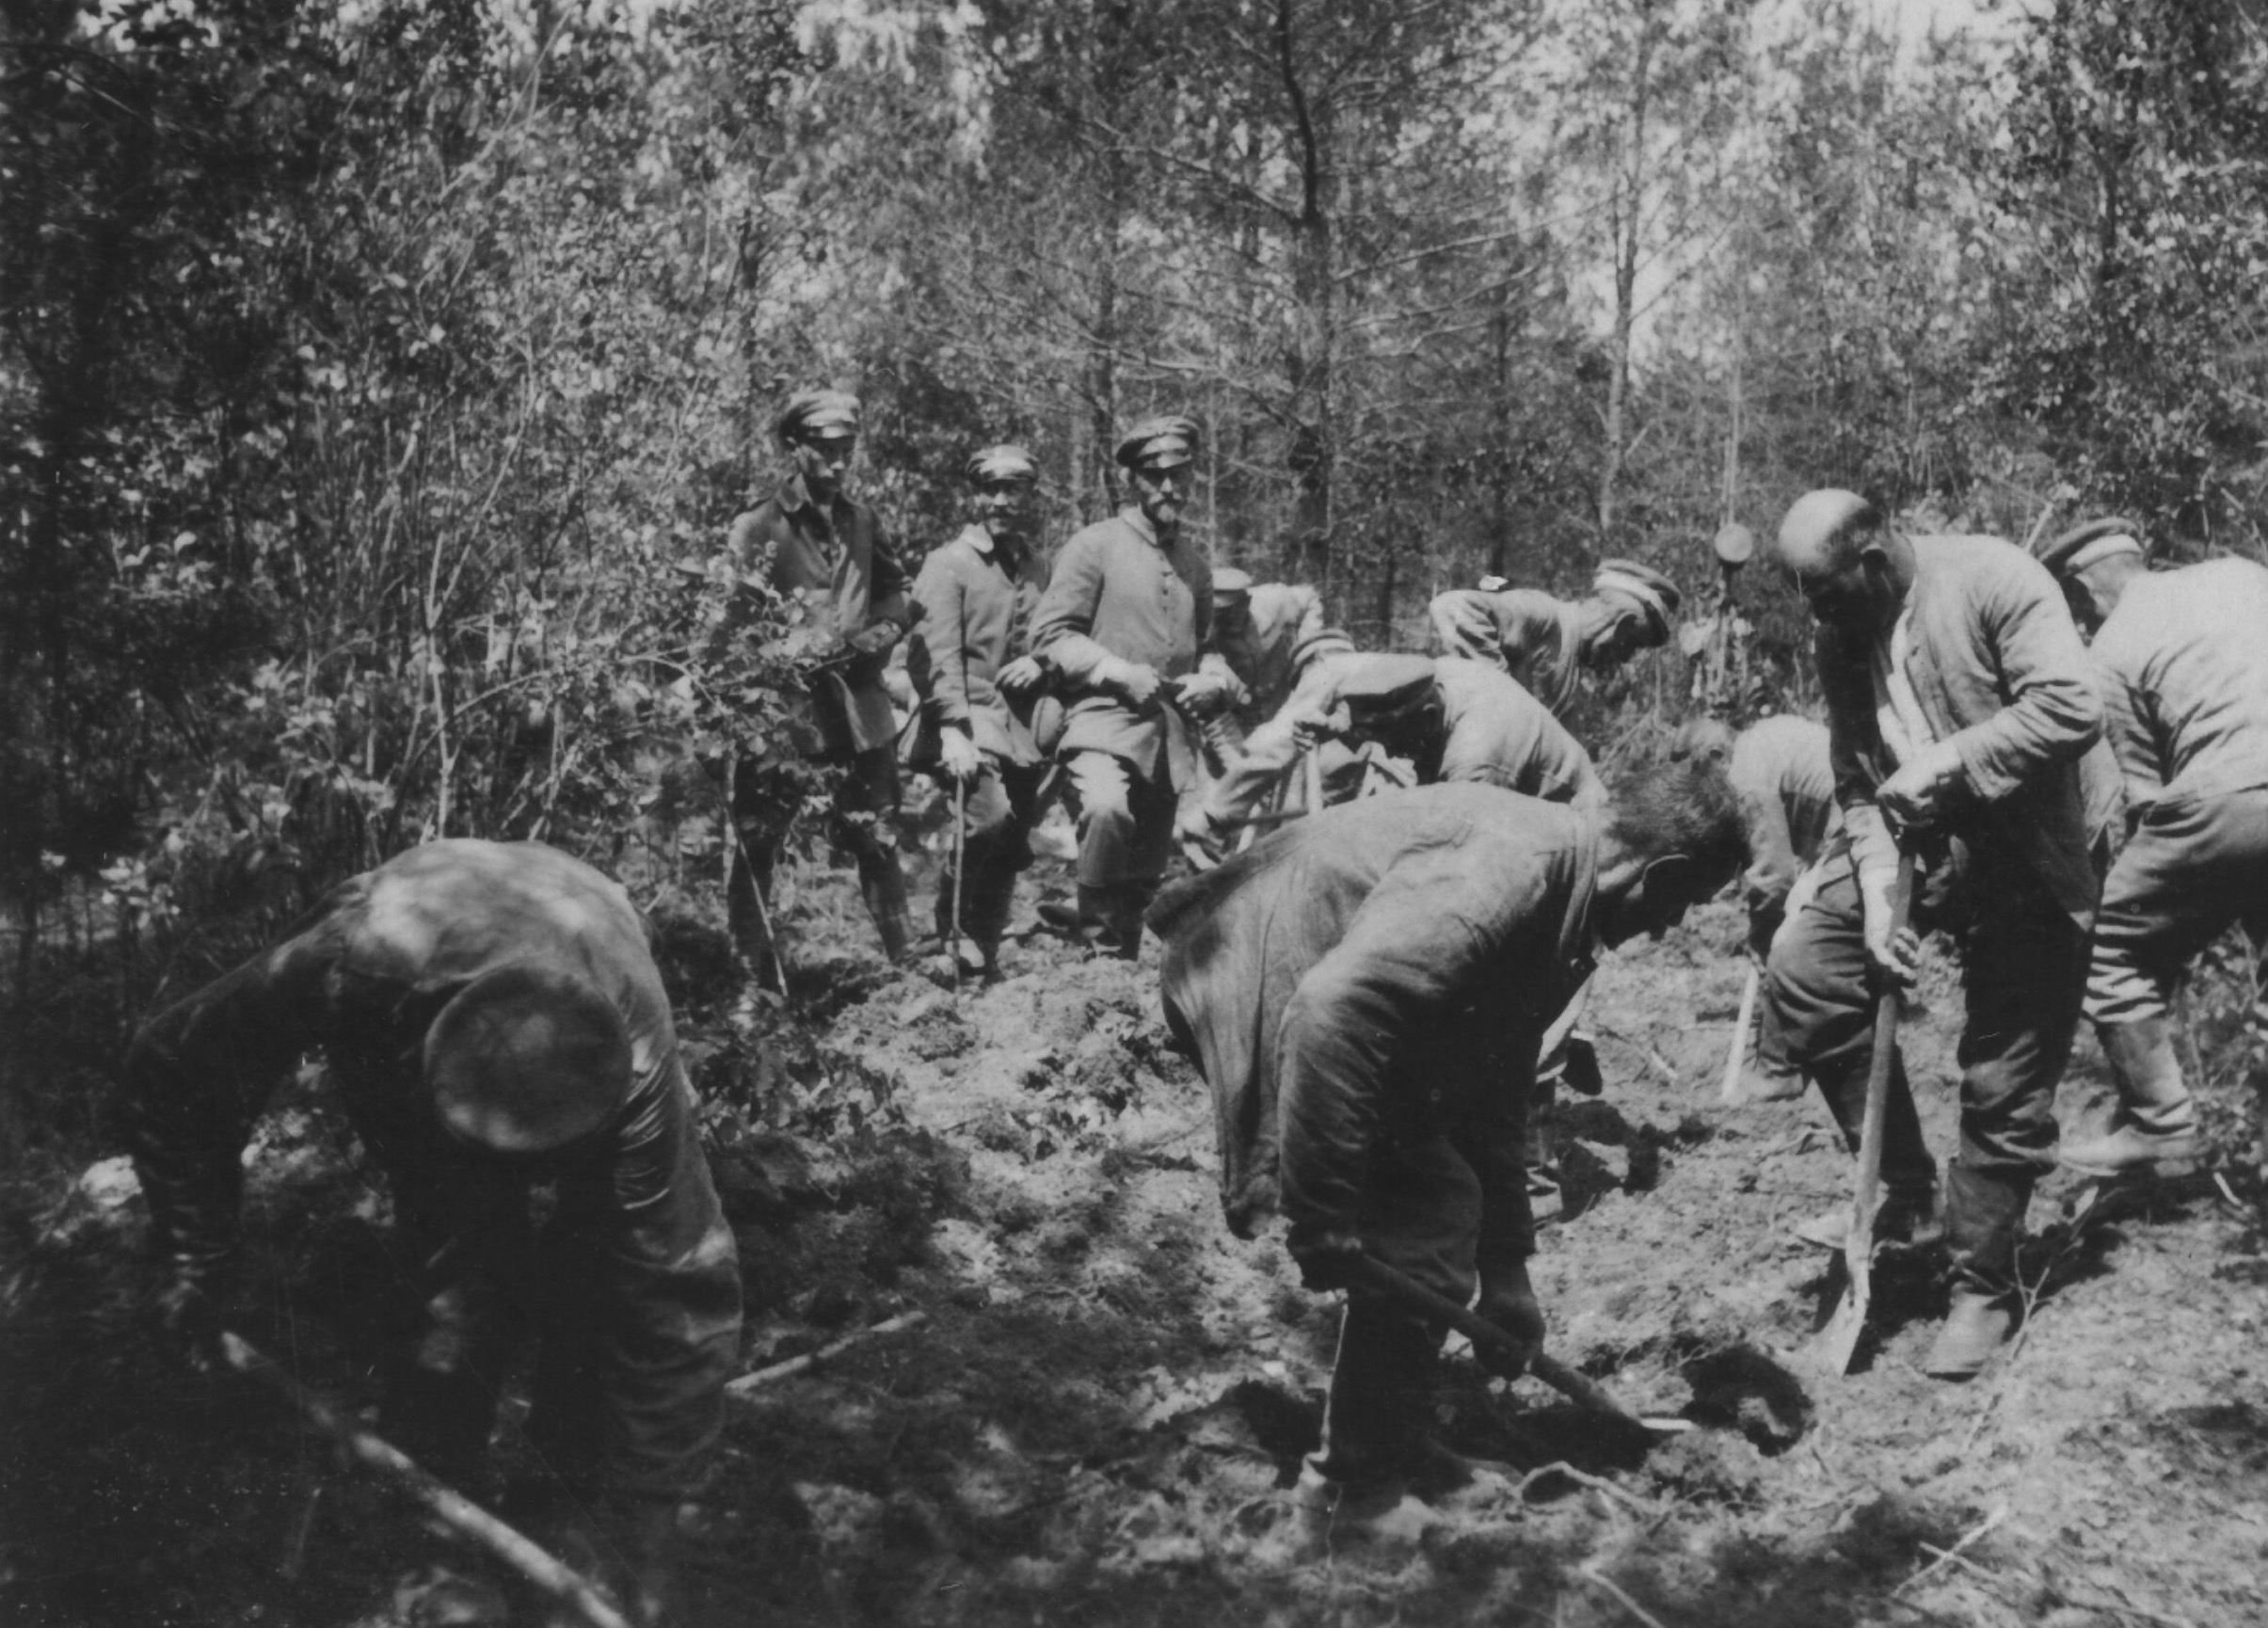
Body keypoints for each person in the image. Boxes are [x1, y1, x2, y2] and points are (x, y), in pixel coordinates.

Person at [122, 840, 743, 1623]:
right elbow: (174, 1063)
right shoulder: (356, 961)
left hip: (586, 929)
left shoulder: (635, 1064)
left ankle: (563, 1510)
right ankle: (435, 1540)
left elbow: (679, 1288)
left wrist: (652, 1555)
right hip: (416, 971)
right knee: (463, 1273)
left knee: (601, 1267)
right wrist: (194, 1250)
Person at [1151, 754, 1747, 1515]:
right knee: (1426, 1206)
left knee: (1434, 1193)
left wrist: (1507, 1276)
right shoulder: (1511, 877)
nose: (1673, 926)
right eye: (1686, 903)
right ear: (1659, 874)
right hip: (1257, 959)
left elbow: (1492, 1092)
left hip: (1315, 967)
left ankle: (1388, 1435)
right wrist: (1324, 1207)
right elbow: (1334, 1011)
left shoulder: (1561, 901)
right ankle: (1352, 1491)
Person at [1767, 489, 2117, 1379]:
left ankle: (1981, 1289)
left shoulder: (1994, 579)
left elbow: (2075, 708)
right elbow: (1854, 781)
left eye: (1828, 596)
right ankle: (1910, 1194)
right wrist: (1882, 894)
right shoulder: (1838, 634)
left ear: (1875, 563)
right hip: (1917, 842)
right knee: (1808, 968)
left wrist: (1953, 759)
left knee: (2000, 1073)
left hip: (2036, 844)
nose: (1820, 619)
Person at [2033, 518, 2268, 1179]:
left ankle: (2162, 1125)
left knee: (2107, 947)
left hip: (2228, 798)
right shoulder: (2241, 575)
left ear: (2080, 594)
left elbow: (2142, 798)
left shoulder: (2108, 653)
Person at [715, 387, 916, 970]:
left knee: (876, 835)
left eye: (846, 450)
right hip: (786, 718)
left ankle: (907, 968)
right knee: (760, 843)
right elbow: (728, 628)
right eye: (825, 449)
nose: (836, 462)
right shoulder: (757, 527)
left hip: (860, 710)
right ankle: (748, 977)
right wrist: (781, 660)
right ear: (795, 448)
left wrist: (881, 636)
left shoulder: (863, 519)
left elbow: (893, 592)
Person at [1030, 413, 1231, 956]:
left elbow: (1207, 643)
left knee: (1144, 867)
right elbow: (1049, 633)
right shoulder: (1094, 546)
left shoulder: (1195, 563)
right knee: (1105, 809)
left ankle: (1119, 960)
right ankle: (1095, 946)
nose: (1169, 488)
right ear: (1131, 481)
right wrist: (1112, 670)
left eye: (1180, 475)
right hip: (1099, 721)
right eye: (1154, 475)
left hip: (1167, 737)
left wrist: (1213, 680)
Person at [1183, 652, 1603, 859]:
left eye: (1395, 744)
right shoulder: (1429, 680)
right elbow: (1389, 726)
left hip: (1570, 829)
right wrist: (1336, 728)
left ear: (1426, 720)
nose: (1391, 754)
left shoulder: (1476, 758)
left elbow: (1453, 858)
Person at [905, 444, 1052, 982]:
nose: (1001, 501)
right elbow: (933, 652)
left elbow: (1054, 633)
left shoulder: (1037, 567)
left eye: (1013, 490)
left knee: (1013, 842)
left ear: (1030, 497)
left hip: (1025, 722)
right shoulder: (949, 564)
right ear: (976, 496)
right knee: (987, 817)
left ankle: (984, 951)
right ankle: (952, 929)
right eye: (991, 489)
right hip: (967, 714)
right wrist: (951, 729)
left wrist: (1040, 662)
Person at [1679, 715, 1844, 1103]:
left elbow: (1773, 875)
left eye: (1697, 777)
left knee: (1790, 945)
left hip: (1858, 827)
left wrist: (1762, 934)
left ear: (1716, 756)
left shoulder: (1744, 773)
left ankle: (1778, 1069)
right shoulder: (1760, 745)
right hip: (1852, 825)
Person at [1429, 559, 1682, 716]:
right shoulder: (1544, 615)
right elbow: (1454, 606)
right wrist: (1501, 695)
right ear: (1621, 624)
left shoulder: (1570, 662)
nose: (1626, 658)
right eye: (1632, 645)